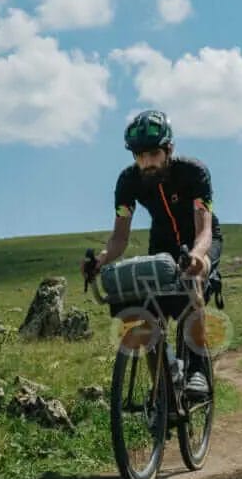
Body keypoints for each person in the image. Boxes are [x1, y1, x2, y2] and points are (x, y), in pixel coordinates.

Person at [83, 109, 223, 397]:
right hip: (161, 245)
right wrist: (101, 259)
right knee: (146, 312)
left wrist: (196, 256)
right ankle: (161, 384)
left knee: (193, 278)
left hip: (199, 240)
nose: (146, 162)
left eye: (152, 154)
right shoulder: (128, 181)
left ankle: (196, 368)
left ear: (168, 149)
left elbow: (205, 229)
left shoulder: (194, 172)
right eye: (139, 155)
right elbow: (119, 237)